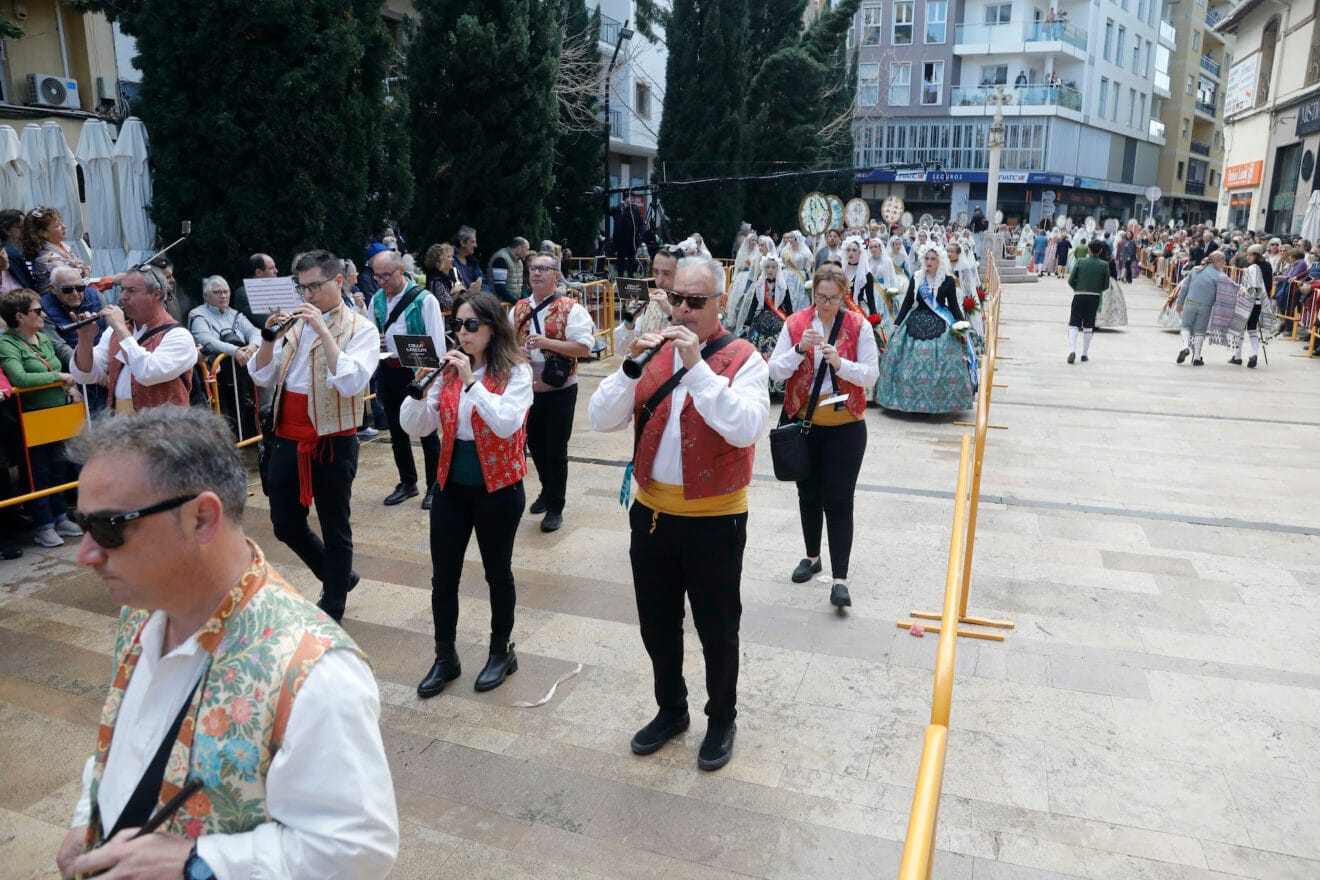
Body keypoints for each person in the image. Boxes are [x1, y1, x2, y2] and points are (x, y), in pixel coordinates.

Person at [54, 407, 398, 880]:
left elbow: (358, 848)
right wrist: (90, 819)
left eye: (110, 528)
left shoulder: (316, 672)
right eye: (82, 522)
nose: (85, 554)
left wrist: (198, 863)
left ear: (201, 518)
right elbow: (131, 740)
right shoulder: (142, 608)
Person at [588, 257, 770, 771]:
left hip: (715, 519)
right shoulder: (653, 353)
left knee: (717, 626)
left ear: (720, 304)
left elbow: (744, 428)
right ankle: (672, 709)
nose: (684, 311)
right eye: (677, 300)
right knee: (656, 623)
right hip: (651, 515)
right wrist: (630, 367)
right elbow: (600, 419)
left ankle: (722, 718)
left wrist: (698, 369)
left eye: (697, 302)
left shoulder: (745, 359)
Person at [401, 292, 533, 697]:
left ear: (494, 328)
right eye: (457, 325)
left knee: (497, 573)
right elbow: (416, 427)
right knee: (443, 577)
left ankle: (501, 651)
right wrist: (421, 392)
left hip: (499, 488)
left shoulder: (516, 371)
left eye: (472, 325)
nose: (463, 333)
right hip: (451, 487)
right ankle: (446, 657)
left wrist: (472, 383)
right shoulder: (446, 372)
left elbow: (507, 424)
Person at [248, 250, 380, 622]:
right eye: (301, 287)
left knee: (335, 523)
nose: (306, 296)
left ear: (338, 282)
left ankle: (334, 602)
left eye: (314, 287)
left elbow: (353, 381)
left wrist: (323, 330)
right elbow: (263, 377)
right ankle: (338, 574)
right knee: (285, 523)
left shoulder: (360, 328)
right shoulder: (293, 324)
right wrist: (270, 340)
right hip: (287, 437)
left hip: (332, 440)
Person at [768, 265, 878, 608]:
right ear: (812, 294)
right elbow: (773, 371)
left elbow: (872, 375)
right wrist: (799, 349)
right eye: (820, 297)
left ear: (844, 295)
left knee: (840, 500)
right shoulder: (795, 323)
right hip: (805, 424)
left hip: (846, 426)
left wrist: (841, 364)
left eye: (832, 298)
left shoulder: (857, 325)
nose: (826, 304)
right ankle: (813, 558)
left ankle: (841, 579)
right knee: (808, 494)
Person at [510, 252, 594, 532]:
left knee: (556, 448)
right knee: (534, 444)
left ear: (556, 275)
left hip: (560, 389)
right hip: (527, 388)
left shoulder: (571, 308)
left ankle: (555, 506)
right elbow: (507, 344)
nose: (536, 273)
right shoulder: (519, 308)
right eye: (532, 268)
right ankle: (547, 490)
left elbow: (584, 347)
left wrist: (548, 342)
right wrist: (517, 352)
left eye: (543, 269)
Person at [0, 288, 83, 548]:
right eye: (37, 311)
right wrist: (57, 378)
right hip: (32, 418)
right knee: (38, 472)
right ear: (20, 316)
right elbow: (20, 378)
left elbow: (57, 365)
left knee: (58, 467)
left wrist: (68, 386)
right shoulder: (6, 343)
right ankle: (43, 524)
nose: (42, 314)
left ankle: (60, 517)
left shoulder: (42, 337)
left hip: (57, 412)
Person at [369, 249, 447, 509]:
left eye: (386, 276)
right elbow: (370, 336)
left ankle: (435, 485)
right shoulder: (377, 300)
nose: (381, 282)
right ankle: (407, 481)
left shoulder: (424, 300)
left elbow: (437, 342)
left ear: (401, 271)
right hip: (389, 370)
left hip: (418, 372)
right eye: (377, 277)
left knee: (426, 430)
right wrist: (376, 343)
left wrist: (433, 379)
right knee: (396, 429)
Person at [70, 268, 198, 413]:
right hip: (122, 423)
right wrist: (85, 339)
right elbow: (85, 375)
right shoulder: (114, 332)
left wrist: (120, 327)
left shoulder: (179, 335)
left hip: (165, 426)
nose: (123, 297)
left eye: (131, 291)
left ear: (156, 294)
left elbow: (147, 373)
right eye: (122, 290)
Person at [876, 248, 974, 413]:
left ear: (939, 260)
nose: (929, 262)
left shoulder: (948, 280)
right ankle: (904, 399)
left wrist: (962, 324)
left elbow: (954, 305)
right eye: (927, 258)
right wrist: (897, 324)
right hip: (916, 319)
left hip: (941, 320)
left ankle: (939, 401)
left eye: (933, 259)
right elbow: (907, 302)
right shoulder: (917, 277)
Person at [190, 275, 262, 437]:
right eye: (217, 292)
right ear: (206, 296)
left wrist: (253, 346)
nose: (223, 296)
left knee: (242, 413)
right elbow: (206, 340)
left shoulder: (235, 314)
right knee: (222, 416)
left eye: (226, 292)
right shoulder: (197, 315)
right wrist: (234, 351)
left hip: (240, 373)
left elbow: (254, 332)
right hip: (215, 376)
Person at [615, 246, 678, 354]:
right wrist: (630, 322)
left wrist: (671, 313)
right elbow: (622, 350)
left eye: (666, 273)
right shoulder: (650, 304)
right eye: (656, 272)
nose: (660, 280)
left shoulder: (691, 305)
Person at [23, 206, 91, 296]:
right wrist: (84, 271)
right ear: (43, 233)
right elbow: (74, 283)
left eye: (61, 223)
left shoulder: (62, 247)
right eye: (57, 226)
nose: (64, 226)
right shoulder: (46, 259)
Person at [1175, 250, 1226, 366]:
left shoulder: (1195, 270)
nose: (1223, 264)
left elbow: (1184, 288)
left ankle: (1185, 347)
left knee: (1185, 326)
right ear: (1217, 261)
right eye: (1222, 262)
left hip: (1190, 303)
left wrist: (1179, 303)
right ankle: (1197, 357)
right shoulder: (1219, 276)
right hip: (1206, 306)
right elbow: (1221, 293)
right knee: (1200, 330)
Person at [1065, 240, 1109, 363]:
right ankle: (1084, 354)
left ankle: (1072, 351)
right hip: (1094, 297)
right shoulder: (1104, 265)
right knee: (1089, 325)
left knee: (1074, 324)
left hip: (1079, 295)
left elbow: (1070, 280)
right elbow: (1106, 284)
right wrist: (1096, 290)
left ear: (1089, 250)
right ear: (1100, 251)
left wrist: (1077, 288)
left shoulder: (1080, 262)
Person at [231, 252, 279, 327]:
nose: (276, 271)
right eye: (271, 268)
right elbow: (270, 321)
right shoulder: (244, 293)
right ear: (258, 272)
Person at [0, 208, 36, 291]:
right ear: (7, 230)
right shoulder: (8, 253)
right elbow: (25, 284)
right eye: (21, 227)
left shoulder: (27, 250)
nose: (26, 230)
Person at [423, 242, 465, 312]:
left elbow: (465, 294)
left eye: (452, 256)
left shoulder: (455, 272)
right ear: (439, 261)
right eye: (449, 257)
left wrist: (457, 291)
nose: (453, 259)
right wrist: (458, 291)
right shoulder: (436, 280)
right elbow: (449, 305)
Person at [488, 237, 530, 305]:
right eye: (527, 249)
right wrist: (517, 303)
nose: (528, 253)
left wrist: (526, 301)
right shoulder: (501, 259)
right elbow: (500, 287)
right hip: (500, 305)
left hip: (511, 305)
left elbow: (520, 285)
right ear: (519, 248)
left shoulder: (519, 261)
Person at [454, 226, 486, 291]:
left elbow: (484, 283)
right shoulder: (451, 263)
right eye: (472, 242)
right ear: (462, 243)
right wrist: (470, 291)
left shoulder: (473, 262)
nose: (476, 245)